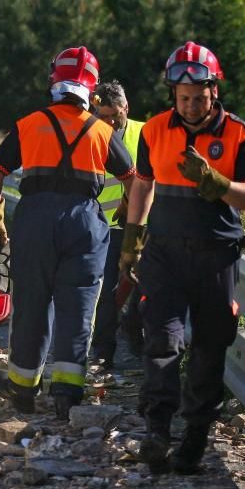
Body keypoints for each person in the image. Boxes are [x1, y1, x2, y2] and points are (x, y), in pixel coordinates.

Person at [120, 41, 245, 474]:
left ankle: (195, 438)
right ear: (172, 95)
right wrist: (132, 241)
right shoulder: (154, 131)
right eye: (182, 98)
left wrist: (217, 182)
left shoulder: (239, 134)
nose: (190, 106)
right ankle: (157, 430)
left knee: (208, 347)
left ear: (213, 92)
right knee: (161, 339)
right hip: (164, 252)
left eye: (198, 98)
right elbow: (143, 186)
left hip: (216, 255)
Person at [0, 47, 135, 418]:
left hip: (34, 220)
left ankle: (22, 388)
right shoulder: (102, 130)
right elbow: (136, 180)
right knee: (78, 305)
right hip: (85, 224)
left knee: (32, 301)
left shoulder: (29, 124)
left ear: (54, 82)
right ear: (91, 90)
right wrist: (132, 221)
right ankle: (66, 392)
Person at [88, 81, 144, 368]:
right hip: (104, 228)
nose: (109, 121)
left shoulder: (144, 133)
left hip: (141, 227)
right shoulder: (88, 135)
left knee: (142, 290)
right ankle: (103, 353)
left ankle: (136, 339)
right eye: (102, 115)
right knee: (106, 293)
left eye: (115, 115)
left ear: (126, 108)